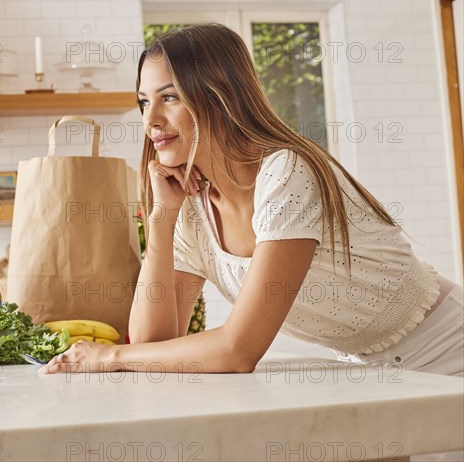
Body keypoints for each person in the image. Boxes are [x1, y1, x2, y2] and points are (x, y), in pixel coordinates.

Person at [40, 24, 463, 382]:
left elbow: (238, 351)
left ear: (221, 95)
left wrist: (108, 357)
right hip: (367, 370)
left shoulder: (287, 173)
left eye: (169, 97)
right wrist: (161, 219)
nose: (150, 121)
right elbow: (153, 346)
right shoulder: (189, 206)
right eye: (143, 102)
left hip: (448, 347)